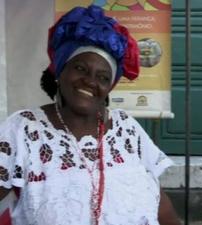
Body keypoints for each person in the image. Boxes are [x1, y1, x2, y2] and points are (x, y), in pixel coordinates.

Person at [0, 5, 180, 225]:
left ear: (109, 88)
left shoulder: (126, 128)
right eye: (81, 69)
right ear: (60, 71)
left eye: (103, 77)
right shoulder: (24, 129)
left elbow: (158, 201)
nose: (91, 81)